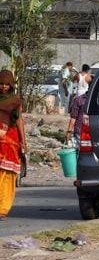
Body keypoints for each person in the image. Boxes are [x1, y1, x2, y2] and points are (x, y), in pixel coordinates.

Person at [0, 69, 27, 220]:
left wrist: (23, 141)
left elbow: (19, 121)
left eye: (6, 84)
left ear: (11, 85)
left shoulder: (15, 100)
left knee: (8, 175)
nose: (3, 87)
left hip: (10, 141)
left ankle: (3, 208)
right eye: (1, 84)